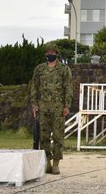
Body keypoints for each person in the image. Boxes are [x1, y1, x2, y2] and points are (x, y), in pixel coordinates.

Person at [29, 43, 73, 174]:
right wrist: (34, 104)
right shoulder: (39, 69)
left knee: (58, 135)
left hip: (58, 107)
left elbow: (68, 88)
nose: (50, 54)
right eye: (47, 52)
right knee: (44, 136)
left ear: (57, 53)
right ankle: (47, 162)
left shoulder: (64, 69)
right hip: (43, 107)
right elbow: (34, 87)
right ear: (45, 54)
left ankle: (56, 163)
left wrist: (67, 105)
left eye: (52, 52)